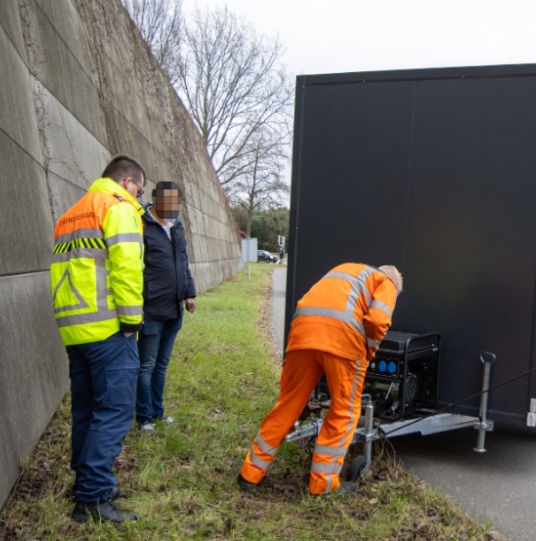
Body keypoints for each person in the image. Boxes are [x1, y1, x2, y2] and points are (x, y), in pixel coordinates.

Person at [238, 263, 403, 495]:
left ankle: (250, 473)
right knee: (344, 411)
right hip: (341, 340)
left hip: (302, 334)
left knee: (289, 404)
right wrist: (368, 352)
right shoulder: (386, 282)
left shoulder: (348, 271)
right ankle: (323, 483)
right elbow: (377, 321)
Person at [51, 155, 146, 524]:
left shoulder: (71, 213)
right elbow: (126, 268)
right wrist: (131, 321)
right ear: (127, 182)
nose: (139, 198)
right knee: (116, 411)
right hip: (108, 328)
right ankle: (92, 498)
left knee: (86, 410)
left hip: (74, 328)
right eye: (139, 189)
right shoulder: (117, 208)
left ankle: (87, 482)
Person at [136, 181, 197, 434]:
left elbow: (183, 262)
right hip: (151, 310)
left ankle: (158, 413)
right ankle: (144, 417)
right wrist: (137, 303)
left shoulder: (178, 226)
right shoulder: (141, 225)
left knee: (161, 365)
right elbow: (133, 266)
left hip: (175, 309)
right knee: (146, 366)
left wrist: (189, 293)